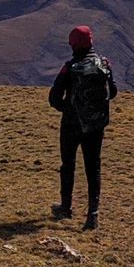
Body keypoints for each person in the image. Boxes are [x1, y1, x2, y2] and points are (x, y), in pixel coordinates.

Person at [48, 25, 117, 230]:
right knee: (93, 168)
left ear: (74, 45)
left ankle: (66, 207)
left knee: (67, 165)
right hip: (95, 125)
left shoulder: (69, 68)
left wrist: (69, 109)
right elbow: (112, 92)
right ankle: (93, 214)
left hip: (71, 125)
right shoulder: (104, 64)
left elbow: (53, 98)